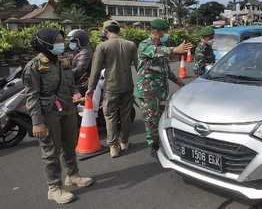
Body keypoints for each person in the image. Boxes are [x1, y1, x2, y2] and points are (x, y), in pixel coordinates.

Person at [23, 27, 93, 205]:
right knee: (50, 151)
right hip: (48, 113)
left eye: (62, 41)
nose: (61, 45)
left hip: (68, 108)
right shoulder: (34, 66)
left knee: (70, 145)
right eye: (58, 42)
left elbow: (71, 83)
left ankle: (72, 175)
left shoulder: (63, 61)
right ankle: (54, 188)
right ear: (46, 43)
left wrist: (76, 92)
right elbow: (31, 97)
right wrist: (37, 122)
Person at [136, 19, 192, 158]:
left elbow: (165, 68)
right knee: (151, 119)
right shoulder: (145, 45)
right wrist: (175, 50)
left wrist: (177, 80)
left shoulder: (162, 45)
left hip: (161, 90)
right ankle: (154, 145)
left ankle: (162, 141)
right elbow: (156, 52)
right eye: (165, 31)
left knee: (161, 117)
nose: (166, 34)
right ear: (156, 32)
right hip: (148, 90)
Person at [86, 20, 138, 158]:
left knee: (110, 116)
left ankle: (113, 146)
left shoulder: (102, 46)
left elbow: (95, 71)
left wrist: (90, 88)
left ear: (106, 31)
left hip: (110, 86)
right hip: (127, 85)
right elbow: (140, 67)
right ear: (118, 30)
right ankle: (125, 142)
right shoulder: (131, 45)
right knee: (125, 115)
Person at [67, 29, 93, 93]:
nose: (71, 43)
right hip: (78, 81)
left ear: (81, 41)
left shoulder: (85, 53)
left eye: (73, 42)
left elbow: (79, 70)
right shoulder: (79, 51)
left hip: (81, 84)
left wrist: (65, 74)